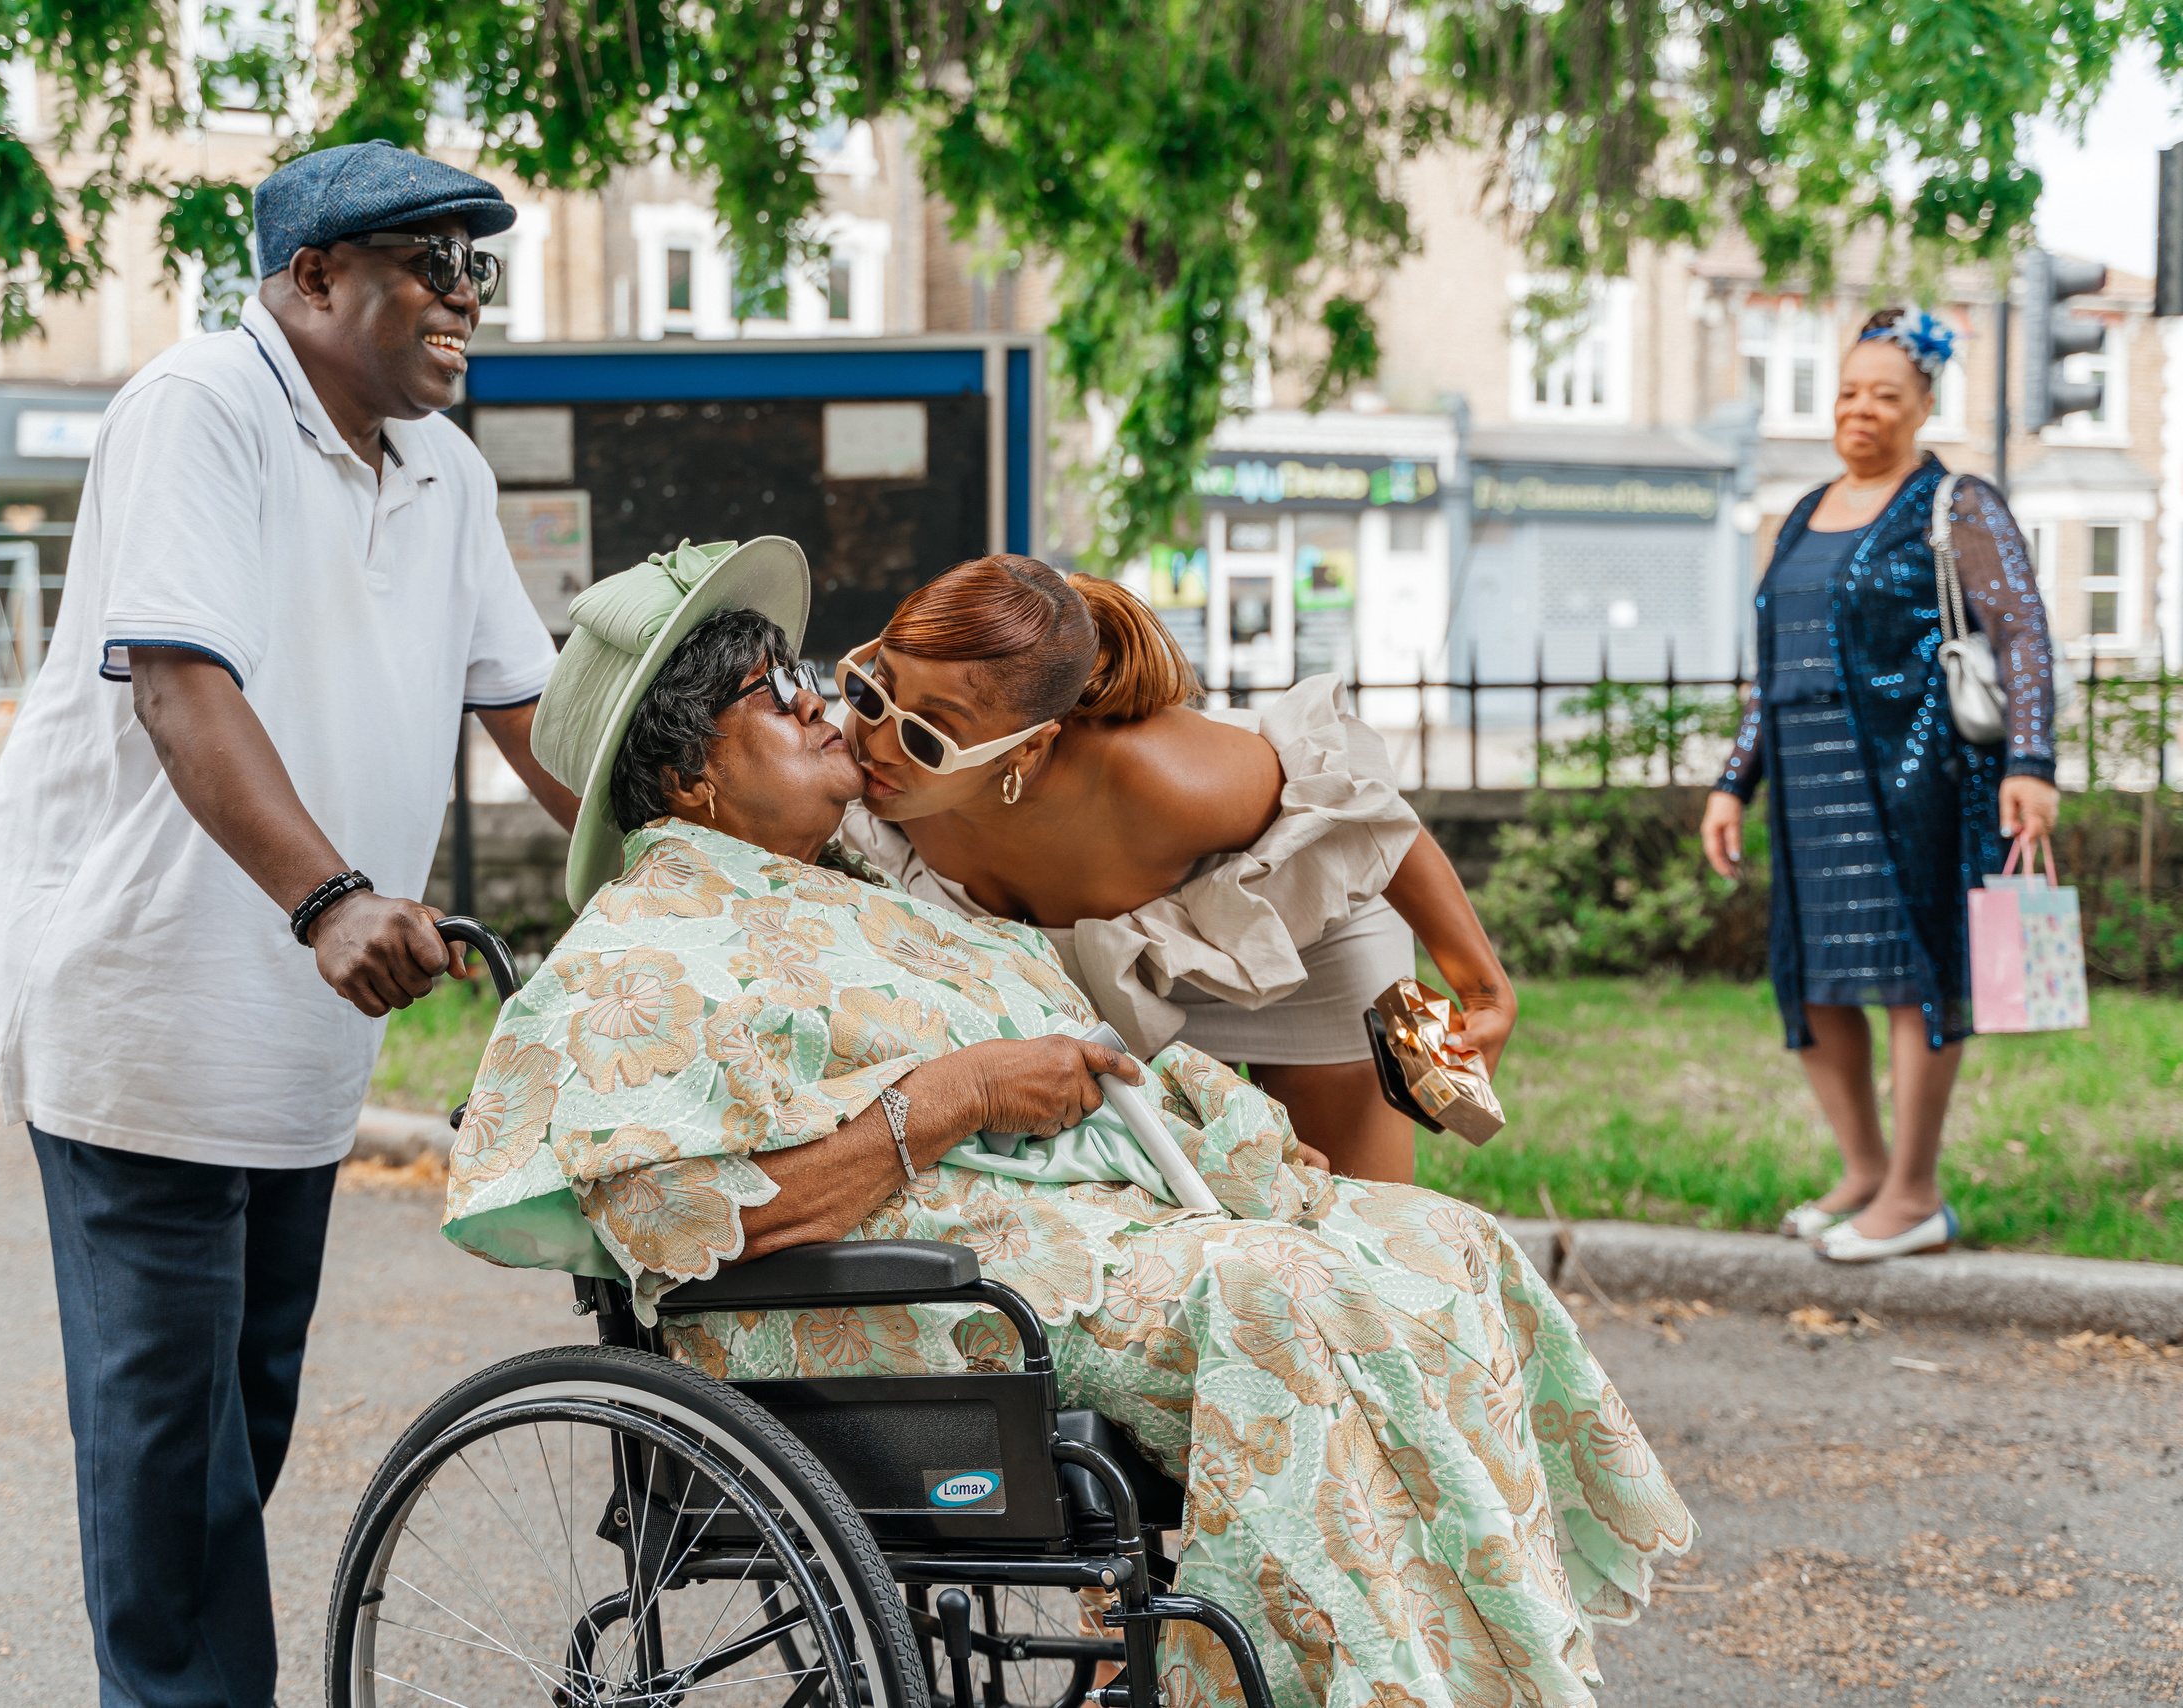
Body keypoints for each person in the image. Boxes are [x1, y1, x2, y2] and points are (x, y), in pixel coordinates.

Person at [446, 538, 1692, 1708]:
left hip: (1080, 1226)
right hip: (909, 1292)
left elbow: (1344, 822)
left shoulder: (862, 874)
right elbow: (677, 1220)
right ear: (688, 775)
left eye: (814, 675)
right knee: (1281, 1296)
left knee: (1442, 1249)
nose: (830, 705)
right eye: (780, 696)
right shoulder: (644, 949)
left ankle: (1477, 1672)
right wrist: (968, 1091)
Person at [0, 140, 578, 1707]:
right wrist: (331, 894)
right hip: (149, 1020)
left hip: (299, 1038)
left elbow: (542, 714)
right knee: (171, 1459)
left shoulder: (448, 472)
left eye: (478, 267)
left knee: (244, 1425)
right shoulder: (200, 406)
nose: (465, 299)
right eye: (432, 264)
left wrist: (723, 857)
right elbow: (177, 686)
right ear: (310, 279)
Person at [833, 557, 1513, 1183]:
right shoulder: (875, 770)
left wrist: (1484, 993)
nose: (877, 743)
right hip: (1117, 977)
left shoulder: (1170, 782)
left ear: (1031, 748)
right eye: (872, 690)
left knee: (1359, 1217)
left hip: (1297, 939)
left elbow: (1369, 815)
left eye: (929, 734)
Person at [1701, 308, 2059, 1263]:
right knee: (1814, 983)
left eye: (1885, 395)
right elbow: (1771, 666)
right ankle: (1862, 1171)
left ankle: (1915, 1194)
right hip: (1811, 784)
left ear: (1924, 405)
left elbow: (2020, 632)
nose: (1862, 410)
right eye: (1848, 392)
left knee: (1915, 977)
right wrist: (1735, 780)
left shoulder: (1957, 504)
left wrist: (2031, 763)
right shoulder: (1801, 513)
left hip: (1918, 778)